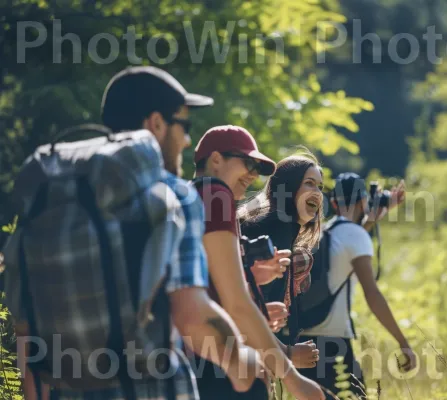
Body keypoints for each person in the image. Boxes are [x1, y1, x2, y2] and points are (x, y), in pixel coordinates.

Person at [11, 66, 263, 400]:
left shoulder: (48, 200)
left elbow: (26, 335)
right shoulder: (172, 196)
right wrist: (241, 363)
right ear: (157, 123)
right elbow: (193, 317)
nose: (188, 140)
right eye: (183, 126)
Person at [192, 126, 325, 400]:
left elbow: (216, 287)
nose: (253, 174)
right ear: (216, 159)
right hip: (223, 368)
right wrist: (289, 367)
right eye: (247, 162)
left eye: (320, 187)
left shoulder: (201, 200)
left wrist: (254, 286)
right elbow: (236, 306)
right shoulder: (267, 220)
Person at [297, 172, 417, 399]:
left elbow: (347, 247)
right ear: (364, 201)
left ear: (332, 202)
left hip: (302, 343)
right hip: (334, 345)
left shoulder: (323, 231)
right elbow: (371, 293)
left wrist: (371, 220)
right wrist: (403, 342)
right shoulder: (355, 236)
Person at [239, 151, 325, 350]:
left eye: (320, 187)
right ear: (288, 187)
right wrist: (288, 355)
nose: (317, 193)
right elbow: (255, 305)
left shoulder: (276, 222)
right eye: (309, 183)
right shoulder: (278, 225)